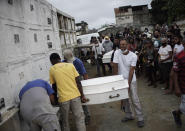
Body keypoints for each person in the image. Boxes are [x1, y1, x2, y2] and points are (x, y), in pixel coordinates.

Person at [49, 53, 87, 131]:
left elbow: (54, 86)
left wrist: (55, 100)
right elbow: (78, 82)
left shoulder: (52, 69)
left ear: (51, 61)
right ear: (60, 58)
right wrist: (82, 95)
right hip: (75, 96)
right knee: (79, 118)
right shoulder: (70, 65)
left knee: (65, 121)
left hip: (63, 99)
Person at [113, 39, 144, 128]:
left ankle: (140, 118)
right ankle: (128, 115)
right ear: (119, 45)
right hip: (121, 80)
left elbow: (131, 71)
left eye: (124, 44)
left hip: (131, 80)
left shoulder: (133, 56)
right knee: (125, 98)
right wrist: (116, 80)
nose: (122, 46)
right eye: (121, 44)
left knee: (134, 99)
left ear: (127, 45)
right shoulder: (117, 53)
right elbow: (115, 66)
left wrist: (128, 84)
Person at [62, 49, 91, 125]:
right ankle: (78, 117)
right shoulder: (63, 63)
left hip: (78, 80)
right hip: (68, 82)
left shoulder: (78, 61)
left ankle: (87, 116)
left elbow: (84, 73)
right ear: (65, 58)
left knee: (82, 98)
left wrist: (86, 84)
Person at [172, 39, 185, 128]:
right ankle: (177, 113)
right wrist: (176, 87)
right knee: (184, 107)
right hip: (183, 85)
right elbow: (175, 72)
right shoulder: (179, 56)